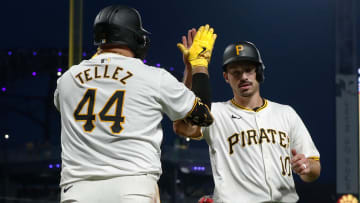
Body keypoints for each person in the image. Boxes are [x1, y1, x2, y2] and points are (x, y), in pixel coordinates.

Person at [54, 5, 217, 203]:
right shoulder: (153, 77)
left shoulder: (67, 80)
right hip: (133, 188)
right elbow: (202, 116)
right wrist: (198, 65)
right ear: (136, 38)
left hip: (77, 191)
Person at [174, 40, 321, 203]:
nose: (243, 77)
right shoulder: (216, 113)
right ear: (226, 77)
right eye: (235, 72)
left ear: (259, 72)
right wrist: (190, 68)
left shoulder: (286, 113)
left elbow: (314, 169)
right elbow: (182, 126)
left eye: (248, 70)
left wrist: (306, 166)